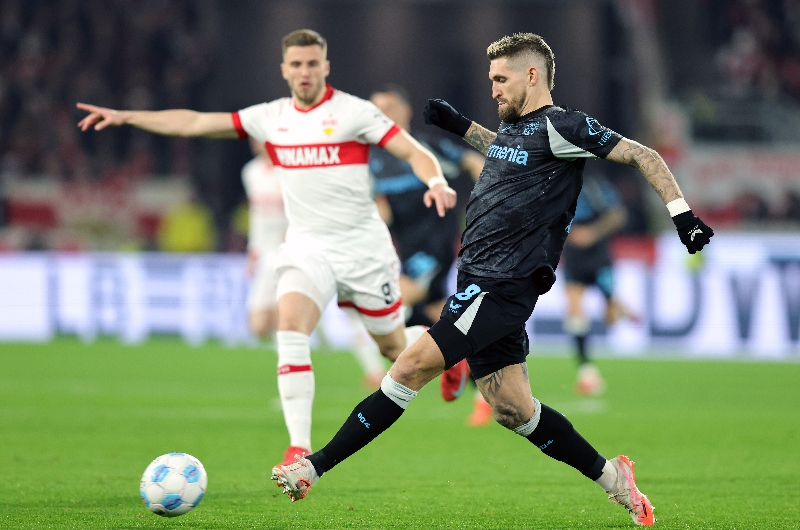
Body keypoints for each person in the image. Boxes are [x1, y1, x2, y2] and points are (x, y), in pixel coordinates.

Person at [271, 32, 714, 527]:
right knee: (513, 409)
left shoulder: (564, 126)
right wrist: (461, 126)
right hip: (479, 281)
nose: (494, 89)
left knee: (409, 367)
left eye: (501, 79)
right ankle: (616, 480)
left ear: (533, 75)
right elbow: (504, 150)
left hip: (502, 285)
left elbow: (643, 155)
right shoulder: (516, 129)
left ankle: (311, 467)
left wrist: (682, 215)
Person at [76, 29, 458, 469]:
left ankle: (448, 357)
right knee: (289, 326)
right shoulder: (271, 117)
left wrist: (436, 180)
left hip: (363, 250)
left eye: (312, 63)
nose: (304, 72)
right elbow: (196, 122)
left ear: (325, 67)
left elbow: (413, 152)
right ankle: (298, 449)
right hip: (306, 247)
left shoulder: (355, 112)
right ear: (284, 70)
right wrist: (128, 117)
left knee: (393, 347)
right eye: (296, 64)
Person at [368, 84, 491, 425]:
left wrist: (490, 204)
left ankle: (447, 365)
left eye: (389, 108)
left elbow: (474, 162)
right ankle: (485, 391)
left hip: (433, 250)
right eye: (376, 111)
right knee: (447, 326)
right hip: (407, 255)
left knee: (389, 306)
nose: (382, 116)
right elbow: (382, 215)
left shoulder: (428, 149)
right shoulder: (372, 162)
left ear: (406, 112)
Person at [241, 137, 386, 389]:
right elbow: (258, 215)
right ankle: (309, 328)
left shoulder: (297, 168)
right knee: (259, 325)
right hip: (270, 252)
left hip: (308, 247)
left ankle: (373, 371)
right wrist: (253, 250)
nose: (257, 142)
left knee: (350, 310)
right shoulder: (251, 172)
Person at [561, 171, 634, 396]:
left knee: (610, 318)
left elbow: (619, 215)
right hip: (573, 256)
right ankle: (587, 372)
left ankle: (620, 308)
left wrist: (592, 233)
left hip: (598, 256)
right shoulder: (556, 185)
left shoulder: (595, 186)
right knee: (574, 310)